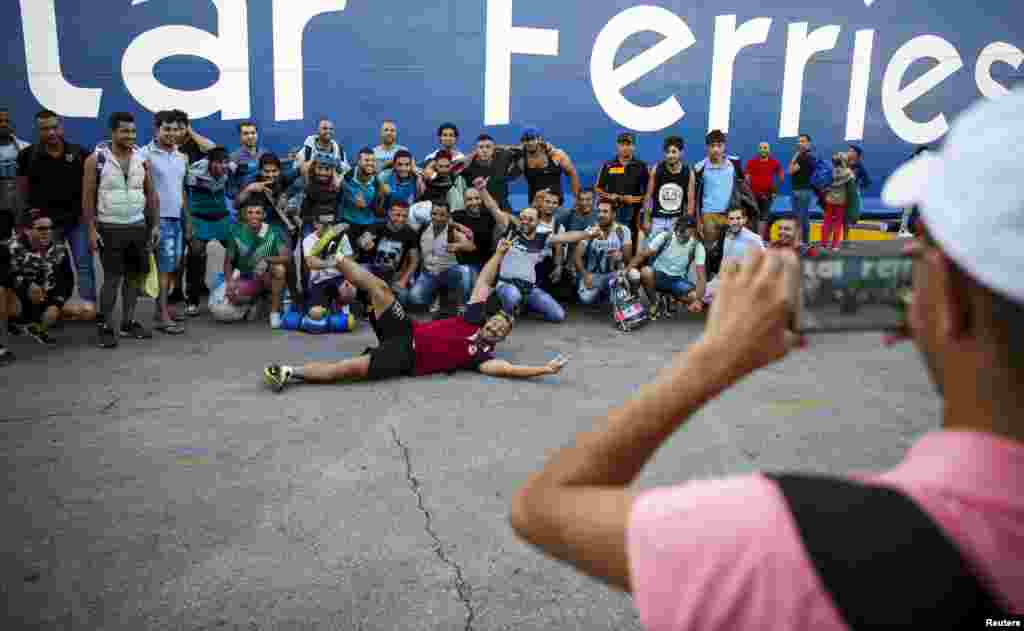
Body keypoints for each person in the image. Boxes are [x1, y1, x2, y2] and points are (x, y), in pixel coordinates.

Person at [508, 88, 1024, 630]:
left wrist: (714, 357)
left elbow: (543, 507)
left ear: (952, 302)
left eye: (922, 253)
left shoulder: (804, 542)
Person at [262, 235, 570, 391]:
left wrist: (544, 370)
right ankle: (336, 255)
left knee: (348, 369)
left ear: (501, 338)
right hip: (406, 330)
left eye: (502, 331)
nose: (497, 329)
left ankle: (290, 371)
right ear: (489, 319)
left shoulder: (484, 357)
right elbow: (484, 281)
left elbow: (509, 371)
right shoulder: (472, 316)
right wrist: (500, 252)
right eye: (497, 323)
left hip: (404, 360)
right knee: (381, 289)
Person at [82, 112, 158, 348]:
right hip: (109, 227)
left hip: (137, 226)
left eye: (133, 131)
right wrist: (91, 230)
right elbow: (87, 197)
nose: (130, 135)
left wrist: (154, 225)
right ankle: (105, 325)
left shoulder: (141, 159)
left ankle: (127, 322)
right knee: (113, 279)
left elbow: (151, 194)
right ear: (113, 132)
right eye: (125, 131)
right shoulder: (96, 160)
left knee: (134, 278)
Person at [15, 110, 92, 314]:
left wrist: (90, 218)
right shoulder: (27, 156)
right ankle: (51, 308)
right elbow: (22, 191)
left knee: (83, 265)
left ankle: (89, 308)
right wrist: (25, 221)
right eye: (45, 129)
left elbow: (90, 189)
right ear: (38, 130)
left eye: (54, 127)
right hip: (46, 226)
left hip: (76, 221)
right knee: (49, 268)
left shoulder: (80, 153)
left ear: (62, 127)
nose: (51, 132)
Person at [485, 200, 601, 322]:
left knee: (558, 315)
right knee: (513, 295)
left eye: (530, 219)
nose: (525, 222)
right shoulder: (510, 231)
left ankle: (523, 305)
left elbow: (567, 236)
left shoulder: (542, 238)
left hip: (529, 288)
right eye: (522, 218)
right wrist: (482, 189)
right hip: (507, 284)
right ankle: (506, 317)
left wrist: (588, 233)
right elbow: (493, 208)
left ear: (538, 222)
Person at [141, 110, 188, 334]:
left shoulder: (181, 156)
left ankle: (163, 309)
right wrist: (153, 223)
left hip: (177, 219)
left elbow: (180, 191)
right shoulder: (144, 155)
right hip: (158, 220)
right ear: (156, 129)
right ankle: (161, 316)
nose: (171, 133)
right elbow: (145, 192)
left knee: (172, 266)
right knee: (163, 269)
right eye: (166, 129)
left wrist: (187, 221)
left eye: (175, 129)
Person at [5, 211, 72, 346]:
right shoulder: (11, 248)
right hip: (21, 296)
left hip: (47, 296)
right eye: (41, 228)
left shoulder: (59, 248)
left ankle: (38, 326)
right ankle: (13, 320)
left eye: (50, 228)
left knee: (87, 310)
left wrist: (57, 304)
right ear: (27, 230)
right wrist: (26, 284)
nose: (47, 232)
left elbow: (68, 280)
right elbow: (5, 276)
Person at [222, 202, 291, 328]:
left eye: (258, 212)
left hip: (266, 277)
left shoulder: (273, 231)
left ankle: (274, 312)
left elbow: (286, 257)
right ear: (245, 215)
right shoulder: (236, 232)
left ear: (264, 215)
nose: (254, 216)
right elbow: (228, 261)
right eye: (250, 212)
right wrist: (229, 281)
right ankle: (254, 302)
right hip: (247, 277)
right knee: (223, 309)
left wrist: (267, 259)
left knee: (280, 269)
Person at [626, 214, 706, 318]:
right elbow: (642, 255)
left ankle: (672, 298)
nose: (680, 233)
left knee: (694, 297)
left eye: (684, 230)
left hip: (678, 279)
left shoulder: (697, 246)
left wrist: (698, 300)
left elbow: (701, 277)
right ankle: (654, 303)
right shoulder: (665, 236)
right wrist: (626, 270)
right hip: (658, 276)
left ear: (693, 231)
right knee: (646, 271)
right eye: (678, 229)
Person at [183, 147, 232, 316]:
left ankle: (239, 290)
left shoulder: (229, 170)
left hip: (221, 218)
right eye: (219, 163)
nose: (223, 166)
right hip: (199, 218)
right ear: (210, 163)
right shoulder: (193, 173)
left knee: (237, 248)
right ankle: (192, 300)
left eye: (225, 162)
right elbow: (182, 192)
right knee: (196, 253)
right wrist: (187, 219)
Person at [407, 200, 475, 314]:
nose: (438, 218)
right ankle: (436, 296)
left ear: (448, 216)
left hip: (449, 272)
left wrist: (458, 245)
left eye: (442, 215)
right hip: (429, 274)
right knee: (414, 297)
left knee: (465, 272)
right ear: (430, 214)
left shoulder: (451, 231)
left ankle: (462, 304)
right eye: (434, 214)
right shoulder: (422, 229)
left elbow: (471, 246)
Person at [574, 200, 633, 306]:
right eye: (599, 211)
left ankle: (629, 299)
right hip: (594, 276)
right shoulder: (590, 230)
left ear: (613, 214)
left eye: (605, 211)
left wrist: (620, 256)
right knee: (586, 299)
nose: (601, 214)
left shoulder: (623, 230)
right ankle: (607, 295)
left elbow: (628, 260)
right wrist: (585, 275)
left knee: (634, 275)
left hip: (614, 275)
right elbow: (577, 256)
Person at [703, 208, 764, 304]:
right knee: (703, 295)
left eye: (738, 218)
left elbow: (763, 262)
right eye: (731, 219)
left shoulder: (754, 239)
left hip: (746, 282)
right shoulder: (724, 236)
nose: (735, 222)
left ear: (745, 219)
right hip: (725, 280)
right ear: (727, 221)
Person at [302, 213, 356, 320]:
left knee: (350, 290)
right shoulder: (308, 239)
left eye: (330, 224)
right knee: (315, 314)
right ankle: (329, 308)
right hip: (319, 281)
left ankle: (342, 306)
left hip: (339, 278)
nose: (328, 227)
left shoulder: (342, 237)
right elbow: (311, 263)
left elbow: (349, 261)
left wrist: (348, 278)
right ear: (315, 224)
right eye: (324, 224)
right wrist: (332, 262)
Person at [515, 127, 581, 213]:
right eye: (526, 140)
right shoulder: (521, 159)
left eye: (533, 139)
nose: (530, 143)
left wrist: (577, 199)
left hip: (557, 207)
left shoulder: (556, 155)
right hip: (535, 207)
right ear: (522, 142)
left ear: (540, 139)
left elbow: (572, 174)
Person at [596, 132, 648, 239]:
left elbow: (649, 193)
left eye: (628, 144)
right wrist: (610, 197)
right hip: (612, 211)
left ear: (634, 147)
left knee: (631, 238)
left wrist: (634, 199)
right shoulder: (608, 165)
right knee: (612, 239)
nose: (625, 148)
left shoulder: (641, 166)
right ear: (617, 146)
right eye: (622, 145)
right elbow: (598, 188)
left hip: (634, 212)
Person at [643, 136, 694, 241]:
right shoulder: (656, 169)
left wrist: (687, 223)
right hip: (657, 219)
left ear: (681, 153)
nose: (670, 155)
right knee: (651, 253)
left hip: (677, 220)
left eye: (674, 152)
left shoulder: (688, 172)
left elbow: (690, 201)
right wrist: (646, 220)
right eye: (667, 152)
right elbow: (648, 197)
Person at [821, 152, 862, 252]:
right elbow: (852, 191)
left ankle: (824, 244)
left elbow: (824, 185)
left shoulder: (830, 171)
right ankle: (835, 246)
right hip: (841, 202)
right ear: (844, 161)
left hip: (830, 200)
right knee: (838, 224)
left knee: (827, 222)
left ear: (834, 162)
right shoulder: (848, 173)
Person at [0, 108, 30, 241]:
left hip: (21, 207)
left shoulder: (26, 148)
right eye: (0, 121)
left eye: (6, 121)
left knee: (22, 243)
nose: (3, 124)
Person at [745, 141, 785, 241]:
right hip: (753, 195)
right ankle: (751, 240)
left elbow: (781, 176)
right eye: (761, 148)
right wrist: (748, 193)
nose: (763, 150)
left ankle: (760, 240)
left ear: (769, 150)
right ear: (758, 150)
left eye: (765, 148)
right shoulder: (751, 162)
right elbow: (746, 178)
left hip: (767, 196)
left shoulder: (774, 162)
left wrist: (775, 191)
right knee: (752, 217)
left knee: (763, 218)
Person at [789, 133, 817, 244]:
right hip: (800, 190)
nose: (800, 143)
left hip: (803, 191)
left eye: (803, 141)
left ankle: (802, 242)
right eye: (799, 141)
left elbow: (791, 171)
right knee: (802, 218)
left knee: (801, 219)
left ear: (808, 143)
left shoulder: (804, 157)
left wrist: (794, 157)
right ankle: (804, 242)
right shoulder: (808, 156)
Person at [377, 149, 424, 214]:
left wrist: (419, 178)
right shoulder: (385, 177)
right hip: (389, 218)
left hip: (409, 218)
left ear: (411, 166)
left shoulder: (417, 177)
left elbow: (421, 194)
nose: (403, 168)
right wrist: (383, 195)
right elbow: (379, 211)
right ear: (394, 165)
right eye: (400, 164)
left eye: (407, 165)